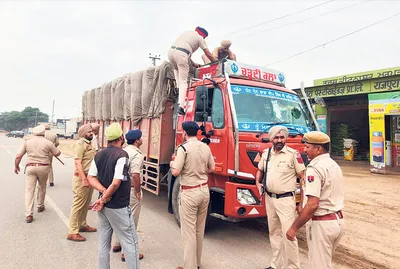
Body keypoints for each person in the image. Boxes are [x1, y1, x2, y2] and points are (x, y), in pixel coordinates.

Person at [286, 131, 344, 269]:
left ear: (318, 149)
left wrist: (294, 228)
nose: (304, 150)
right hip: (337, 221)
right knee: (325, 264)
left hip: (322, 224)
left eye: (307, 147)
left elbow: (313, 204)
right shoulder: (333, 164)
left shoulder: (315, 168)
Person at [88, 122, 139, 269]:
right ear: (121, 137)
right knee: (131, 243)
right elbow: (116, 182)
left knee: (104, 243)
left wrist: (103, 194)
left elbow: (91, 177)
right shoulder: (121, 155)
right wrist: (105, 197)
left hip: (104, 207)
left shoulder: (99, 154)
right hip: (118, 206)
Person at [255, 126, 305, 269]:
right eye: (276, 138)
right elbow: (260, 171)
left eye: (282, 137)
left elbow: (302, 178)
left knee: (289, 234)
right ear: (271, 139)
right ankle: (276, 265)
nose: (279, 140)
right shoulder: (267, 153)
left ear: (285, 138)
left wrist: (301, 202)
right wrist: (258, 183)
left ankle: (293, 267)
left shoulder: (293, 154)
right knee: (274, 233)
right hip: (269, 199)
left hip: (285, 200)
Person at [170, 121, 215, 269]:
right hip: (204, 191)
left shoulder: (183, 149)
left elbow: (176, 171)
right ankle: (197, 263)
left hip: (190, 192)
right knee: (199, 230)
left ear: (184, 133)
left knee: (188, 232)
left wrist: (172, 164)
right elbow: (212, 168)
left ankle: (190, 266)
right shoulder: (205, 147)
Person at [14, 125, 61, 223]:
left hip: (30, 167)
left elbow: (18, 156)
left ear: (33, 133)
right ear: (44, 132)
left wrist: (16, 166)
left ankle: (29, 214)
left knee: (29, 190)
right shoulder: (48, 143)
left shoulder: (27, 142)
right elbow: (57, 153)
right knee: (42, 186)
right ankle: (40, 206)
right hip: (43, 167)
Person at [168, 27, 218, 115]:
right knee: (184, 80)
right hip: (182, 54)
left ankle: (178, 89)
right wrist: (216, 61)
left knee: (177, 69)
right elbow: (207, 53)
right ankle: (181, 107)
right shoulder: (200, 38)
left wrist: (194, 64)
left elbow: (184, 52)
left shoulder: (186, 33)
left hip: (171, 53)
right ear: (204, 36)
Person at [112, 129, 145, 261]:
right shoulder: (137, 154)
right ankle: (128, 252)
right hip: (130, 189)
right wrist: (137, 191)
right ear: (137, 141)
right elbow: (135, 174)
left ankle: (117, 244)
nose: (142, 140)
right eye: (141, 138)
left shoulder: (122, 151)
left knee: (121, 217)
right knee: (131, 221)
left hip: (120, 188)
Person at [67, 123, 97, 242]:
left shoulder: (88, 144)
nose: (92, 133)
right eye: (89, 132)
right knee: (78, 204)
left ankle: (82, 224)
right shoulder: (80, 145)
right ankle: (73, 231)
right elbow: (77, 163)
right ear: (84, 133)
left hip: (89, 177)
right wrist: (84, 179)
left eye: (92, 131)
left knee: (86, 203)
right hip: (82, 178)